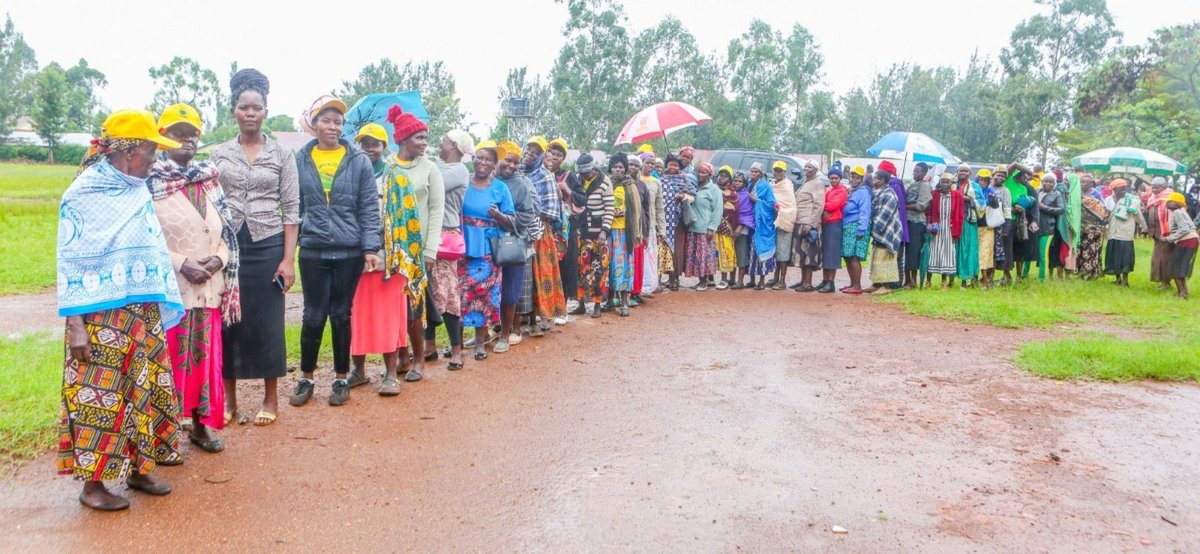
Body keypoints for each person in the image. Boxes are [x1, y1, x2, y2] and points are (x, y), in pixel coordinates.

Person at [58, 109, 185, 511]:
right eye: (150, 150)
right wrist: (75, 325)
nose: (155, 159)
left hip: (140, 311)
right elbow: (69, 257)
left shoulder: (136, 188)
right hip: (98, 316)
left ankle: (139, 466)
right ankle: (92, 485)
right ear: (128, 152)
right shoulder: (83, 193)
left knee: (142, 388)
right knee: (100, 397)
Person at [211, 69, 297, 426]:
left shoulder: (281, 154)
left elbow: (292, 209)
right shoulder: (219, 154)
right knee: (228, 321)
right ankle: (229, 401)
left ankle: (270, 397)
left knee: (267, 323)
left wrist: (288, 260)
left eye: (256, 107)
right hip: (227, 246)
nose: (250, 113)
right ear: (234, 110)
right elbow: (210, 202)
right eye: (243, 107)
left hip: (268, 244)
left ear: (265, 111)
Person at [149, 103, 236, 454]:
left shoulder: (209, 180)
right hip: (172, 291)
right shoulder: (149, 182)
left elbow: (227, 231)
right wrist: (181, 262)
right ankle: (163, 437)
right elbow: (144, 238)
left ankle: (199, 426)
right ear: (161, 138)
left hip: (209, 290)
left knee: (204, 360)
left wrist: (219, 258)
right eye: (177, 132)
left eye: (192, 134)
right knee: (168, 362)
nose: (186, 139)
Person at [290, 96, 380, 408]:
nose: (332, 126)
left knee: (341, 315)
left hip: (349, 251)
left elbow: (369, 207)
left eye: (338, 122)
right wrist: (296, 242)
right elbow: (293, 207)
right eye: (326, 120)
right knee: (312, 316)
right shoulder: (299, 159)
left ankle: (341, 377)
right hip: (313, 250)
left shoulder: (358, 160)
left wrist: (370, 247)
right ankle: (307, 377)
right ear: (314, 124)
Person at [348, 121, 427, 396]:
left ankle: (391, 374)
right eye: (365, 143)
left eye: (375, 143)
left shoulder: (397, 177)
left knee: (389, 316)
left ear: (384, 147)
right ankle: (358, 371)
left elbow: (409, 220)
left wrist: (405, 258)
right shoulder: (350, 174)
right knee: (356, 315)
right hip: (356, 256)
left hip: (390, 258)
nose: (370, 148)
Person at [385, 107, 443, 379]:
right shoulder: (389, 167)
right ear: (404, 138)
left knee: (414, 305)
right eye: (419, 137)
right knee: (394, 305)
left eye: (425, 138)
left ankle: (419, 359)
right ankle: (403, 357)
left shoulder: (430, 169)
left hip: (418, 250)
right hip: (392, 248)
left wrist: (430, 250)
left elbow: (436, 210)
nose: (424, 143)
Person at [423, 129, 473, 371]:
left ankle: (457, 349)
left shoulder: (458, 171)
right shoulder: (440, 166)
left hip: (444, 235)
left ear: (453, 145)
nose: (439, 145)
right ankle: (429, 346)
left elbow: (431, 185)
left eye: (443, 141)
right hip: (428, 234)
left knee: (447, 293)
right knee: (426, 292)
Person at [461, 141, 516, 360]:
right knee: (460, 295)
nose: (483, 163)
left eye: (489, 160)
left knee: (483, 297)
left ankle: (481, 344)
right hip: (462, 247)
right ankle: (457, 344)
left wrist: (498, 216)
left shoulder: (500, 188)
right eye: (480, 157)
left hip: (487, 250)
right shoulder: (463, 182)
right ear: (473, 158)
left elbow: (512, 221)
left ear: (495, 165)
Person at [494, 141, 542, 353]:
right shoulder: (486, 179)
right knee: (487, 288)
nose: (512, 166)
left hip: (511, 242)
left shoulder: (521, 184)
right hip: (487, 242)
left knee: (510, 289)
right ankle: (486, 331)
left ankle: (506, 333)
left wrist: (503, 219)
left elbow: (527, 214)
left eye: (516, 162)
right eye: (508, 161)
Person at [522, 136, 568, 330]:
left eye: (535, 151)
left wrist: (528, 214)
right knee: (525, 277)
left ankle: (544, 316)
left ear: (541, 155)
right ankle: (526, 316)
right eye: (528, 149)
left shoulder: (545, 175)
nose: (530, 154)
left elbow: (551, 211)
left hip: (540, 231)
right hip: (520, 230)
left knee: (540, 274)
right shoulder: (519, 171)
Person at [571, 154, 615, 316]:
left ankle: (597, 304)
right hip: (581, 231)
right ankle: (581, 303)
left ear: (592, 169)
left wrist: (605, 229)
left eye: (586, 173)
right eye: (581, 174)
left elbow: (610, 207)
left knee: (599, 269)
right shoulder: (577, 179)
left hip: (598, 233)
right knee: (581, 268)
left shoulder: (605, 181)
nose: (584, 176)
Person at [547, 138, 582, 310]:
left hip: (566, 228)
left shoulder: (569, 176)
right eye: (552, 153)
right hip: (546, 227)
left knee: (566, 265)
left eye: (559, 155)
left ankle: (563, 305)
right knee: (547, 265)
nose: (554, 157)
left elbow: (582, 199)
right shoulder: (539, 173)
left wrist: (566, 189)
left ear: (563, 159)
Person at [607, 153, 643, 314]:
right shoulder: (606, 184)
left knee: (623, 266)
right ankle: (609, 300)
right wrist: (609, 213)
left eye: (621, 167)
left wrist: (625, 213)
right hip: (608, 231)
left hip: (624, 233)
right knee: (607, 266)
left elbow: (637, 210)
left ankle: (624, 303)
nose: (617, 170)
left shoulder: (630, 185)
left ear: (625, 169)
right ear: (610, 168)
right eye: (615, 167)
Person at [659, 154, 695, 290]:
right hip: (664, 220)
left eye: (676, 165)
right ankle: (666, 278)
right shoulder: (661, 179)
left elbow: (693, 195)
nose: (673, 167)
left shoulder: (684, 179)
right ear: (666, 165)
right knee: (665, 249)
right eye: (671, 164)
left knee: (677, 251)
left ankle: (675, 279)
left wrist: (682, 196)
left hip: (678, 221)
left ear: (680, 166)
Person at [685, 162, 722, 291]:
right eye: (699, 172)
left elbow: (717, 210)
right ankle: (701, 280)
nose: (700, 174)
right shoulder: (694, 186)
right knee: (696, 256)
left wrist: (712, 228)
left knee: (704, 256)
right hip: (693, 227)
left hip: (705, 229)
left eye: (704, 172)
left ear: (710, 174)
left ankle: (704, 282)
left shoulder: (713, 189)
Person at [790, 160, 826, 292]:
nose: (806, 169)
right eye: (806, 166)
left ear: (816, 170)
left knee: (809, 253)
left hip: (808, 223)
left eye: (810, 167)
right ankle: (802, 280)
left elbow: (818, 205)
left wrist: (811, 224)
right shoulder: (806, 182)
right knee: (801, 253)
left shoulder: (817, 184)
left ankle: (808, 283)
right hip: (800, 220)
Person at [868, 169, 904, 294]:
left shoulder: (889, 194)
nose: (873, 181)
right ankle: (877, 283)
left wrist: (873, 226)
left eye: (876, 178)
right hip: (880, 230)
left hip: (887, 230)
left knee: (886, 257)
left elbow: (884, 215)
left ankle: (886, 286)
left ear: (882, 180)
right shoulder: (878, 192)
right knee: (877, 256)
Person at [1104, 179, 1146, 286]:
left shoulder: (1131, 200)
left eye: (1124, 188)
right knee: (1114, 257)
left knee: (1125, 258)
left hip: (1125, 233)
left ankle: (1125, 280)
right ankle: (1117, 279)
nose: (1123, 191)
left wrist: (1144, 227)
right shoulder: (1108, 200)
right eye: (1120, 189)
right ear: (1114, 189)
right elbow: (1105, 214)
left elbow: (1138, 215)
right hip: (1112, 233)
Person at [925, 173, 964, 288]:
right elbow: (928, 212)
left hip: (949, 229)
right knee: (933, 252)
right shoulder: (934, 194)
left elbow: (960, 215)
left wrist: (957, 232)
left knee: (946, 254)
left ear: (951, 184)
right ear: (940, 183)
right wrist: (929, 225)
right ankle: (928, 281)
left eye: (948, 182)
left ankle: (944, 282)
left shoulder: (957, 196)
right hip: (936, 228)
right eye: (943, 182)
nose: (945, 184)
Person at [840, 166, 872, 294]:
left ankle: (857, 285)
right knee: (847, 256)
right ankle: (852, 283)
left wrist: (862, 229)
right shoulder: (852, 190)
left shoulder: (863, 192)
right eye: (852, 176)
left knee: (854, 257)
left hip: (856, 226)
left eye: (857, 177)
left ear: (861, 179)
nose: (854, 179)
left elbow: (865, 211)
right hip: (847, 225)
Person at [637, 152, 666, 295]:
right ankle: (636, 287)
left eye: (652, 164)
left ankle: (646, 287)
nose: (650, 166)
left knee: (650, 256)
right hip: (636, 225)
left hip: (651, 225)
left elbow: (659, 207)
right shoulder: (634, 180)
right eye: (647, 162)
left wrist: (662, 229)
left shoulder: (656, 182)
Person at [816, 165, 848, 293]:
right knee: (825, 252)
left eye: (836, 178)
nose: (833, 180)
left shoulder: (842, 190)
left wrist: (822, 206)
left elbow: (834, 205)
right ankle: (825, 280)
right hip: (825, 222)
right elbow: (822, 203)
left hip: (834, 223)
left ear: (840, 178)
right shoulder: (828, 189)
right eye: (831, 178)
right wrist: (823, 208)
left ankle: (831, 282)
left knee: (832, 253)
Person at [625, 155, 652, 305]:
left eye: (636, 165)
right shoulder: (619, 184)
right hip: (623, 229)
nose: (633, 168)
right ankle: (623, 293)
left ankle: (635, 292)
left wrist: (646, 234)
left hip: (639, 229)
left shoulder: (642, 186)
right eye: (631, 164)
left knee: (638, 261)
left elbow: (647, 211)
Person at [1009, 164, 1041, 281]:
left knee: (1021, 250)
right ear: (1018, 176)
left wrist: (1034, 221)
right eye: (1024, 176)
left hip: (1023, 221)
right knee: (1009, 249)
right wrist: (1031, 172)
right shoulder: (1010, 184)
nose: (1026, 178)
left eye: (1027, 177)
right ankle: (1006, 275)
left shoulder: (1028, 189)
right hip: (1009, 219)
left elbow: (1035, 206)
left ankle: (1019, 275)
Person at [903, 162, 933, 288]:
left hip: (917, 222)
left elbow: (921, 205)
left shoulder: (924, 186)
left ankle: (913, 281)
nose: (915, 173)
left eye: (918, 171)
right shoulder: (912, 184)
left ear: (925, 173)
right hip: (908, 221)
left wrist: (904, 207)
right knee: (908, 251)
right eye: (914, 171)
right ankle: (907, 280)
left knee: (914, 252)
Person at [769, 161, 798, 290]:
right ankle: (775, 278)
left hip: (785, 220)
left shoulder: (787, 186)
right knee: (776, 252)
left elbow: (790, 204)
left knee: (783, 252)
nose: (777, 173)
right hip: (774, 221)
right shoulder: (772, 184)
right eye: (775, 170)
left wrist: (780, 211)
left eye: (780, 171)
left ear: (784, 172)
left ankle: (782, 280)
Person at [748, 163, 777, 290]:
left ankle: (762, 281)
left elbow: (772, 204)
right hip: (753, 223)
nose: (753, 174)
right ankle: (752, 279)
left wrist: (757, 201)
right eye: (752, 171)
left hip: (763, 224)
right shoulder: (750, 185)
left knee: (761, 251)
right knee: (752, 252)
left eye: (756, 172)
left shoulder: (765, 186)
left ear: (761, 173)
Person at [953, 164, 982, 287]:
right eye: (961, 171)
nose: (963, 173)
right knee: (956, 250)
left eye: (966, 171)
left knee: (969, 249)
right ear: (957, 172)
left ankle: (970, 278)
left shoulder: (975, 186)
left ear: (970, 173)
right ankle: (953, 279)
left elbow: (981, 203)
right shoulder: (952, 184)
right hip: (954, 221)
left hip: (968, 221)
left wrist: (962, 197)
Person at [1165, 192, 1198, 299]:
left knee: (1176, 267)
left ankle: (1182, 293)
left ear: (1176, 203)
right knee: (1182, 267)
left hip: (1186, 240)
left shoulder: (1177, 213)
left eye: (1169, 201)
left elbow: (1184, 229)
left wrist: (1169, 238)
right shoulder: (1182, 212)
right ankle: (1184, 291)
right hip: (1192, 239)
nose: (1166, 203)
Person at [1077, 175, 1109, 280]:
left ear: (1091, 183)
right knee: (1081, 250)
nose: (1082, 184)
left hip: (1094, 228)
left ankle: (1090, 273)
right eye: (1080, 182)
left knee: (1091, 251)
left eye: (1084, 182)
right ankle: (1081, 272)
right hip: (1081, 226)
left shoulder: (1096, 194)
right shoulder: (1077, 193)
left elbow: (1102, 211)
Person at [1145, 176, 1175, 289]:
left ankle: (1166, 283)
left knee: (1165, 258)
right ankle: (1162, 281)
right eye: (1152, 187)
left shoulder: (1170, 199)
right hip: (1156, 234)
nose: (1154, 190)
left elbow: (1172, 218)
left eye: (1157, 187)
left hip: (1167, 234)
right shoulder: (1153, 198)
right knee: (1158, 257)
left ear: (1164, 187)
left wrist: (1169, 233)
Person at [1036, 173, 1065, 281]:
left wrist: (1044, 207)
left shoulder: (1056, 194)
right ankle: (1024, 275)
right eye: (1045, 181)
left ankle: (1042, 277)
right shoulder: (1037, 191)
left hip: (1048, 228)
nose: (1047, 183)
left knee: (1043, 252)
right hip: (1034, 226)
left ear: (1054, 184)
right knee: (1032, 251)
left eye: (1050, 182)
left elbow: (1061, 209)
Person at [715, 166, 740, 289]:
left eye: (725, 176)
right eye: (720, 175)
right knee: (714, 253)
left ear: (729, 179)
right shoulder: (713, 189)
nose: (721, 178)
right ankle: (709, 279)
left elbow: (735, 211)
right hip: (713, 226)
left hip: (727, 228)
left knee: (726, 252)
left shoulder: (732, 194)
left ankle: (726, 279)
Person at [730, 171, 756, 289]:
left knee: (741, 254)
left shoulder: (746, 195)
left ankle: (740, 281)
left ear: (744, 183)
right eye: (735, 180)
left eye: (739, 181)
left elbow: (747, 213)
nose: (736, 183)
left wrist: (740, 227)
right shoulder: (730, 193)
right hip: (729, 228)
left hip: (742, 229)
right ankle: (731, 279)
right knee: (730, 254)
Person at [973, 169, 996, 287]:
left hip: (988, 226)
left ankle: (985, 280)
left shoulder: (991, 191)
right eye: (981, 178)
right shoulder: (973, 190)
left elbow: (996, 205)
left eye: (986, 179)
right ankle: (974, 279)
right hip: (974, 225)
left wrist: (991, 200)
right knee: (974, 252)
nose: (983, 181)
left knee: (985, 253)